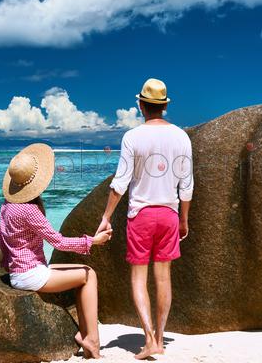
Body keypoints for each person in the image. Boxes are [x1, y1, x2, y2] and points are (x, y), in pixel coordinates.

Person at [96, 78, 194, 359]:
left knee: (139, 278)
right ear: (164, 106)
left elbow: (120, 183)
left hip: (141, 215)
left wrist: (106, 217)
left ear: (141, 105)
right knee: (163, 278)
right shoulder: (181, 137)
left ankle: (148, 337)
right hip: (169, 214)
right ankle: (160, 339)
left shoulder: (132, 137)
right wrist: (183, 219)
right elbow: (187, 185)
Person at [0, 143, 112, 359]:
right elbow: (58, 242)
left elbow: (1, 236)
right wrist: (93, 241)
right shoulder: (29, 210)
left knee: (84, 270)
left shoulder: (7, 204)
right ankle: (92, 339)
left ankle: (85, 335)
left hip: (19, 273)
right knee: (89, 275)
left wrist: (8, 264)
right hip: (31, 275)